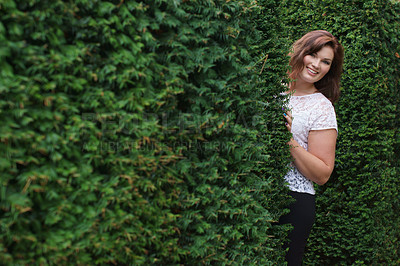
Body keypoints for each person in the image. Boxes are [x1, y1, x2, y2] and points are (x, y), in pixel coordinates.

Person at [280, 30, 344, 265]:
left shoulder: (322, 107)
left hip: (292, 202)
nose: (317, 65)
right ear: (300, 51)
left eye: (326, 61)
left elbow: (323, 173)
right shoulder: (267, 87)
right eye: (313, 55)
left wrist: (288, 140)